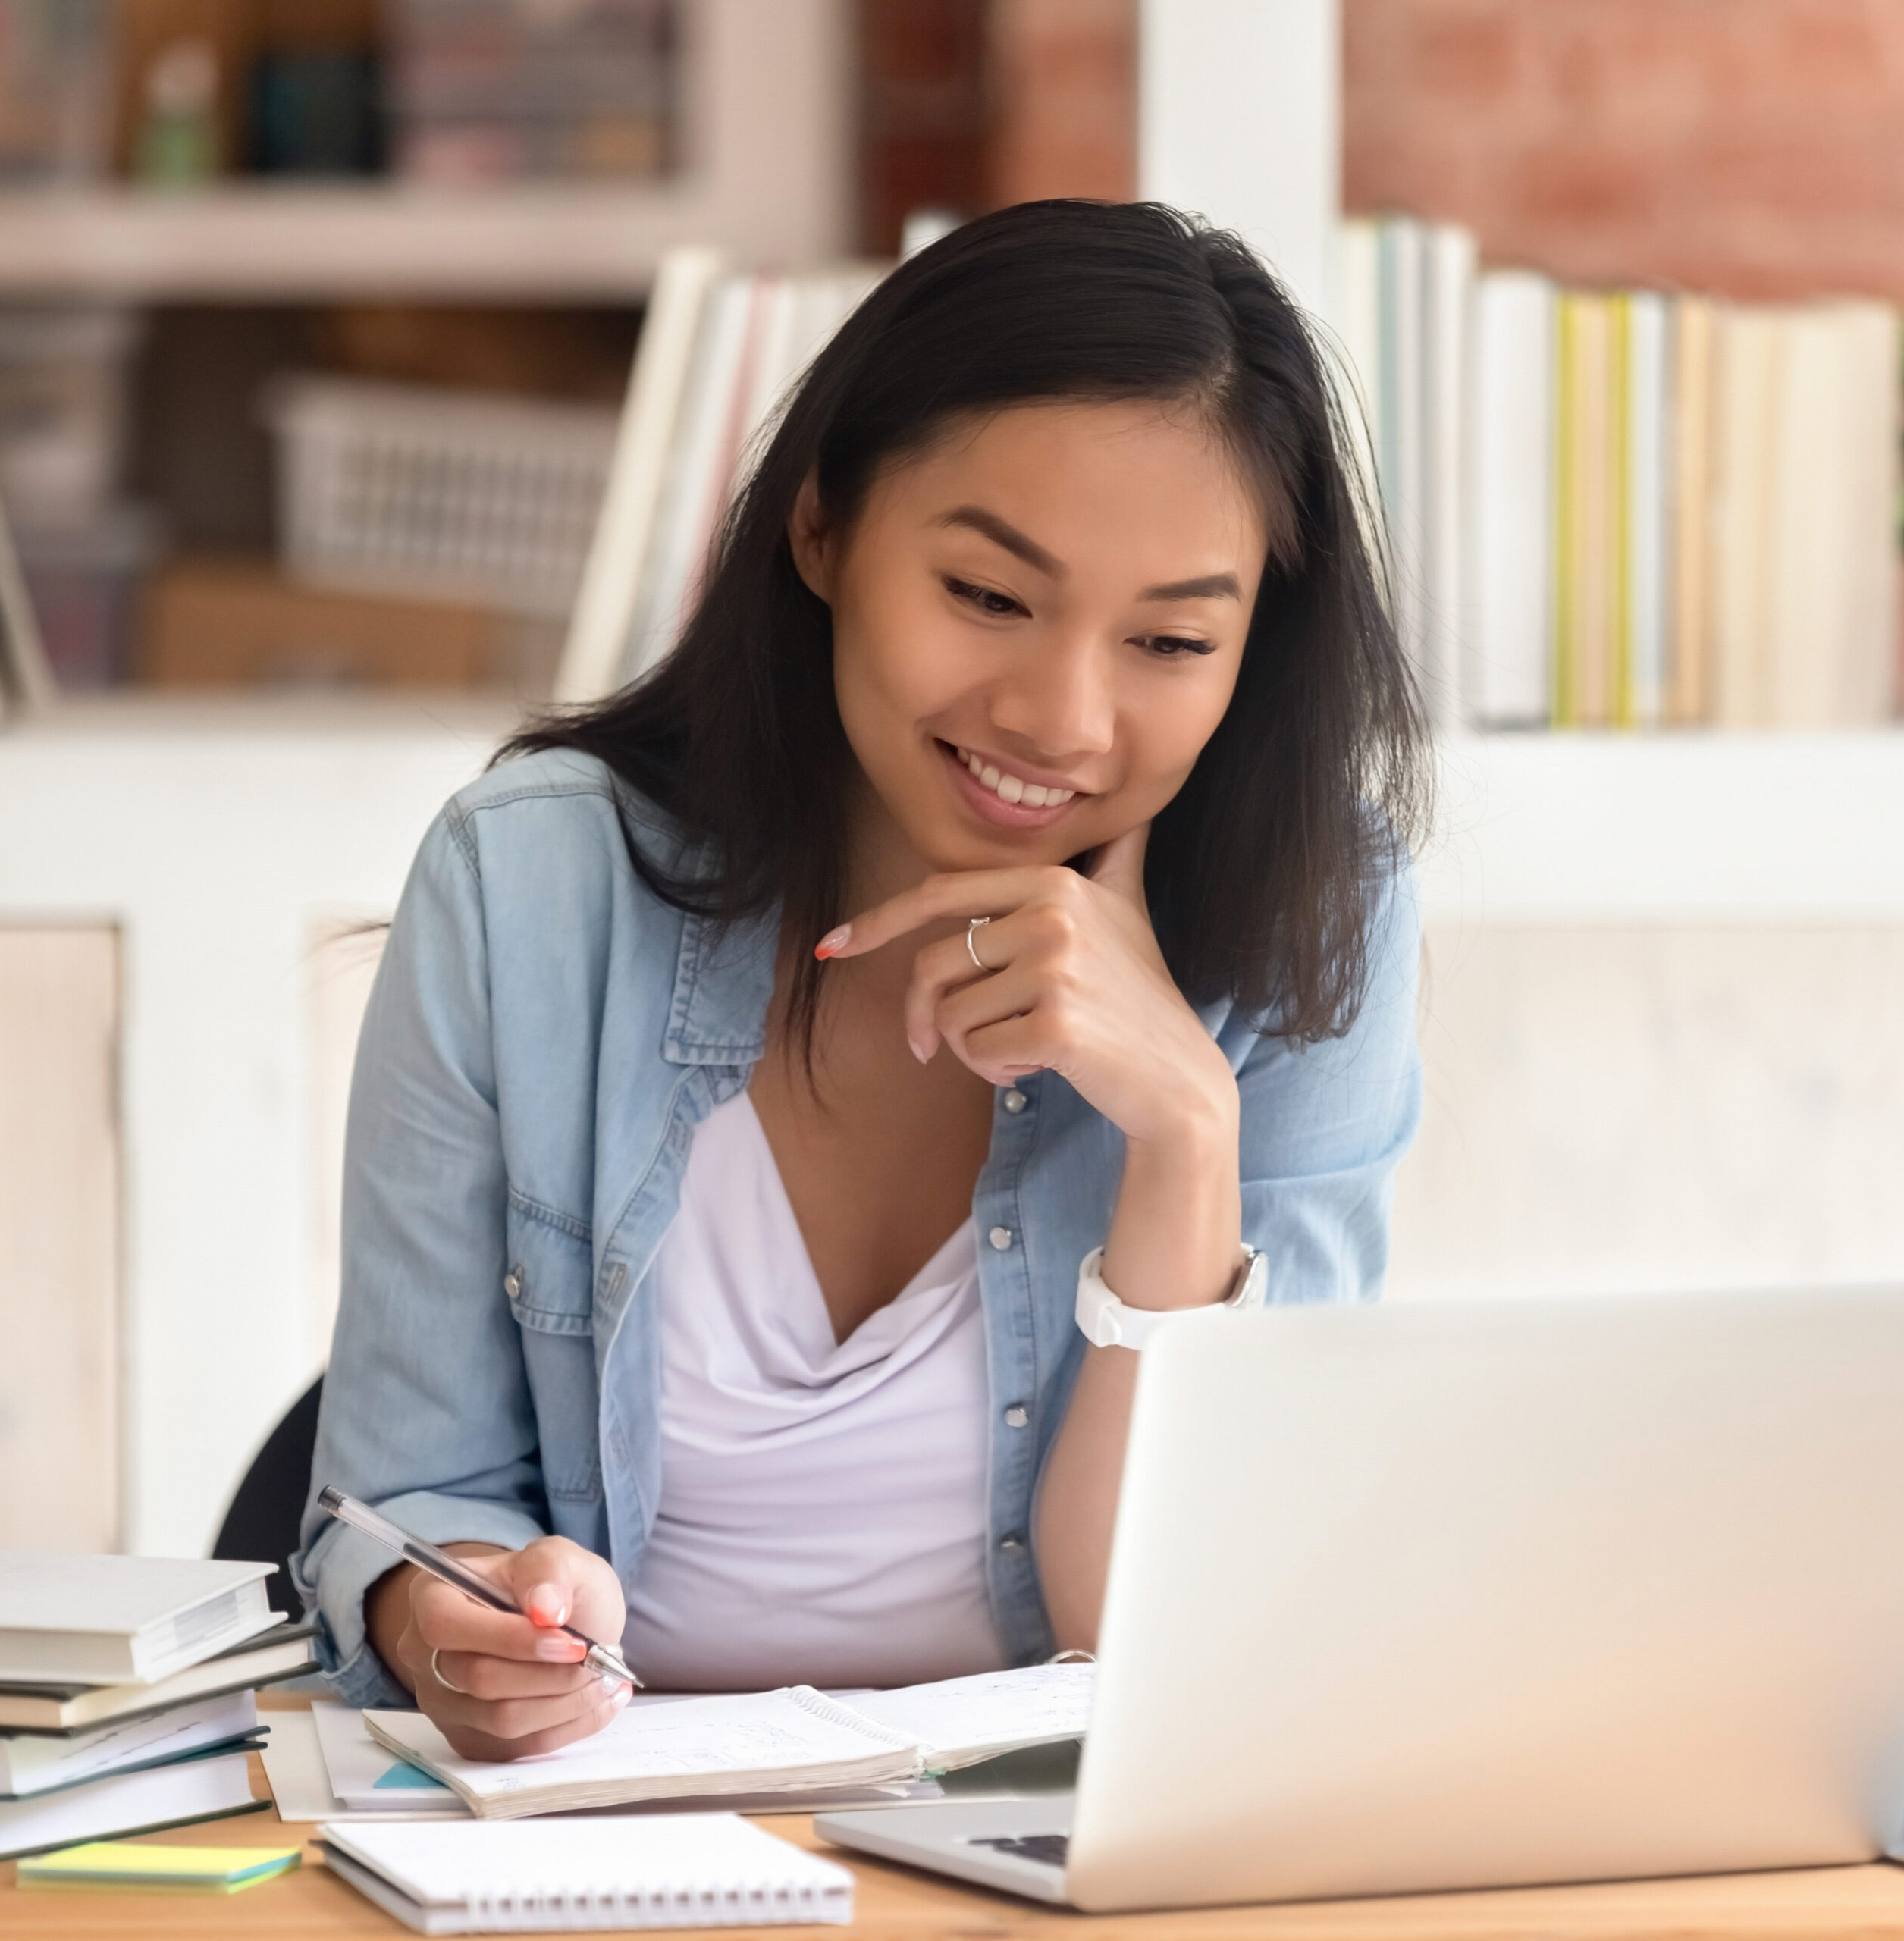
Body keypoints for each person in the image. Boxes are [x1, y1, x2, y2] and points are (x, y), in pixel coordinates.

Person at [293, 200, 1429, 1762]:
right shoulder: (531, 887)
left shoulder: (1317, 922)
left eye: (1167, 640)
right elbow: (403, 1494)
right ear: (820, 527)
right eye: (985, 596)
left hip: (1041, 1847)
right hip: (609, 1846)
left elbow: (1170, 1636)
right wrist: (467, 1618)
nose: (1060, 718)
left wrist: (1184, 1134)